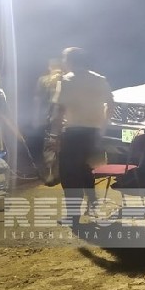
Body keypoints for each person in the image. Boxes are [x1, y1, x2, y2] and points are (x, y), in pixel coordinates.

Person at [49, 47, 114, 226]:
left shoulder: (66, 81)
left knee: (70, 175)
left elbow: (59, 111)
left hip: (73, 134)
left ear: (69, 61)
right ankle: (92, 205)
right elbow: (111, 104)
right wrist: (103, 126)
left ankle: (73, 216)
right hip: (94, 134)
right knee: (87, 170)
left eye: (64, 59)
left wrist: (54, 136)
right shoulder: (100, 79)